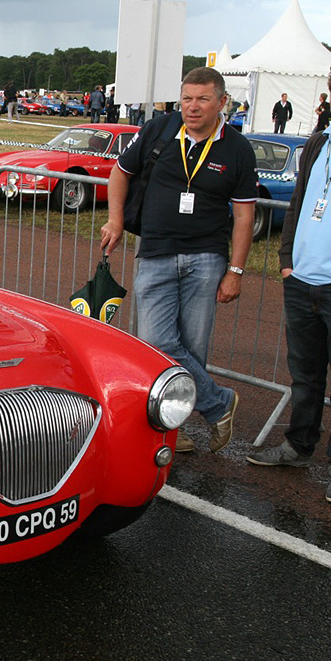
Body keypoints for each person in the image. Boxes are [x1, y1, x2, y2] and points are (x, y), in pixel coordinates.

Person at [100, 67, 257, 454]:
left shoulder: (237, 149)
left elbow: (244, 216)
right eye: (187, 98)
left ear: (222, 102)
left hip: (207, 259)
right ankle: (219, 403)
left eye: (203, 99)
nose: (192, 107)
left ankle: (173, 428)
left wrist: (235, 271)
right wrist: (115, 219)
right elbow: (121, 172)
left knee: (192, 347)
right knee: (157, 343)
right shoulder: (160, 129)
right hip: (155, 252)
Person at [246, 71, 331, 503]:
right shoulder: (319, 141)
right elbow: (298, 203)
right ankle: (299, 446)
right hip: (302, 280)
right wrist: (285, 262)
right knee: (306, 375)